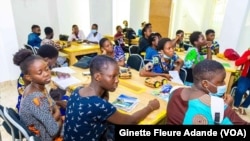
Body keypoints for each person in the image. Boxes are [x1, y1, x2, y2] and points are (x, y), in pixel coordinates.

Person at [64, 55, 160, 141]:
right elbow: (131, 120)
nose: (117, 80)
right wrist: (150, 107)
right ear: (98, 77)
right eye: (113, 76)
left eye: (117, 75)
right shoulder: (100, 105)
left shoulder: (77, 91)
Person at [166, 59, 249, 125]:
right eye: (221, 81)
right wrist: (228, 109)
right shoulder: (218, 107)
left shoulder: (175, 91)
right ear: (205, 83)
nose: (224, 84)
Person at [13, 49, 63, 140]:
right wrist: (58, 114)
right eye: (40, 72)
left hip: (44, 128)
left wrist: (54, 113)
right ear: (29, 77)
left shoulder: (37, 86)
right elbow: (53, 131)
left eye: (47, 69)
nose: (46, 74)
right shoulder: (36, 99)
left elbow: (52, 104)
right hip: (44, 137)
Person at [16, 45, 68, 114]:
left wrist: (56, 72)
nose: (54, 64)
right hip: (34, 110)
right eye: (54, 61)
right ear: (46, 60)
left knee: (65, 98)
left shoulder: (31, 69)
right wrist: (59, 103)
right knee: (68, 109)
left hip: (34, 104)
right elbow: (38, 104)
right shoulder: (29, 81)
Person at [233, 49, 250, 115]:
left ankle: (243, 106)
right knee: (240, 90)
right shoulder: (248, 52)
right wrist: (247, 57)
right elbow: (237, 63)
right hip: (245, 77)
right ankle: (236, 105)